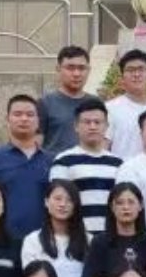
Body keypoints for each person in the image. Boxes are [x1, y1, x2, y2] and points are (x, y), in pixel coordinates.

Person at [0, 96, 51, 249]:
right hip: (2, 243)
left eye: (30, 114)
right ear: (7, 119)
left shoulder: (52, 161)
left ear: (38, 121)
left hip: (43, 243)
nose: (24, 119)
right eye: (17, 114)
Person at [21, 180, 94, 277]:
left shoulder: (89, 241)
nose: (63, 204)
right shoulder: (32, 241)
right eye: (58, 198)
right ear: (46, 202)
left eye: (69, 200)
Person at [51, 97, 123, 234]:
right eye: (87, 122)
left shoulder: (118, 163)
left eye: (97, 122)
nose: (92, 127)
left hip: (110, 237)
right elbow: (58, 203)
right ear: (76, 126)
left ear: (106, 126)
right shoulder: (63, 161)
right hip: (77, 236)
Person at [38, 45, 90, 154]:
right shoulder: (45, 103)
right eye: (70, 68)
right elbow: (36, 145)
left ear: (88, 70)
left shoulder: (96, 104)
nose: (76, 74)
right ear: (58, 69)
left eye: (81, 68)